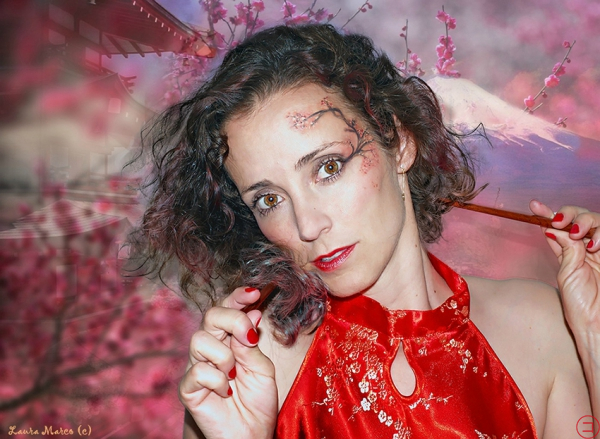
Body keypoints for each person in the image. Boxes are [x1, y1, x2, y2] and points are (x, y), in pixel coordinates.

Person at [132, 24, 599, 438]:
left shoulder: (541, 325)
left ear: (400, 142)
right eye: (269, 200)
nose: (307, 226)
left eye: (328, 167)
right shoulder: (256, 368)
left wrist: (595, 335)